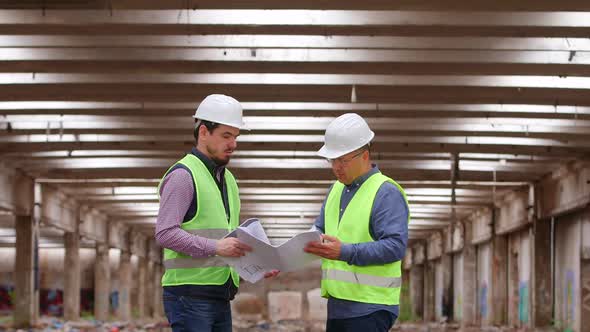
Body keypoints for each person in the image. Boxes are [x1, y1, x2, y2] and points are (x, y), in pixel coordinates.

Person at [155, 94, 278, 332]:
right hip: (189, 296)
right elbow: (165, 233)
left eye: (235, 136)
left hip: (219, 294)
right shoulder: (183, 176)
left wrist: (258, 263)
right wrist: (215, 246)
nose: (233, 144)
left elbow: (229, 239)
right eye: (226, 136)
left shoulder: (228, 179)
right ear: (203, 132)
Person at [304, 113, 410, 332]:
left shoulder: (385, 192)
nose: (336, 167)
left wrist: (344, 251)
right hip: (338, 304)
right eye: (333, 160)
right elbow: (320, 228)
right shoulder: (335, 190)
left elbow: (395, 246)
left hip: (371, 306)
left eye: (343, 160)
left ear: (364, 155)